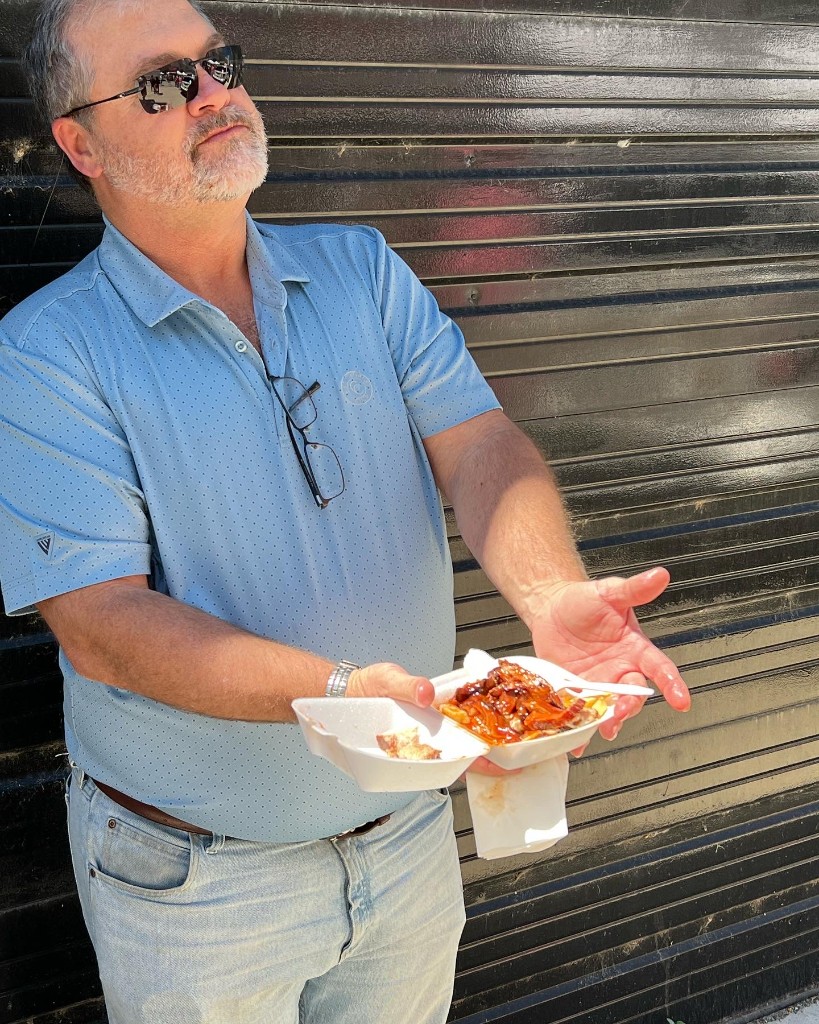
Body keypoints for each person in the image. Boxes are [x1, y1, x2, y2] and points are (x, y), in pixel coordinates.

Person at [0, 0, 691, 1021]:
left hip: (405, 840)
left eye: (218, 63)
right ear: (79, 143)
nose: (214, 94)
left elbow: (483, 443)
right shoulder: (46, 353)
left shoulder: (362, 270)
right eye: (163, 83)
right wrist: (341, 690)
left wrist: (549, 596)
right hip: (199, 889)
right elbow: (102, 626)